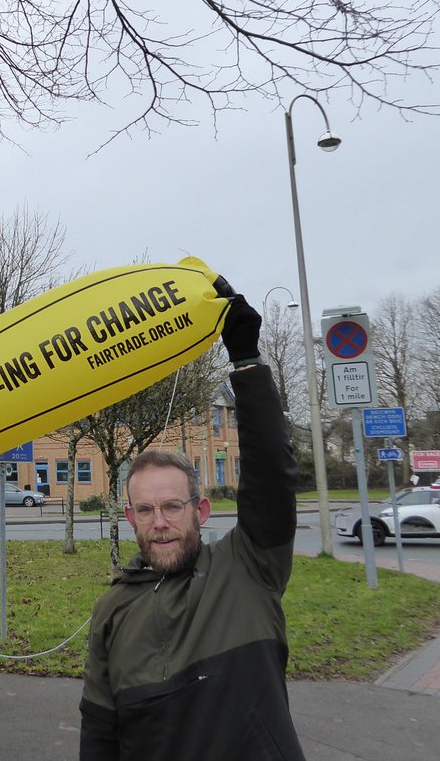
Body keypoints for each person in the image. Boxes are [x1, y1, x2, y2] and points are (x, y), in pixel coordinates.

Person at [79, 283, 306, 760]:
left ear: (200, 512)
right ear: (130, 518)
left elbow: (271, 474)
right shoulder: (112, 611)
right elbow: (99, 732)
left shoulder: (248, 568)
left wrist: (245, 361)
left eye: (172, 506)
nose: (159, 522)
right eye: (146, 510)